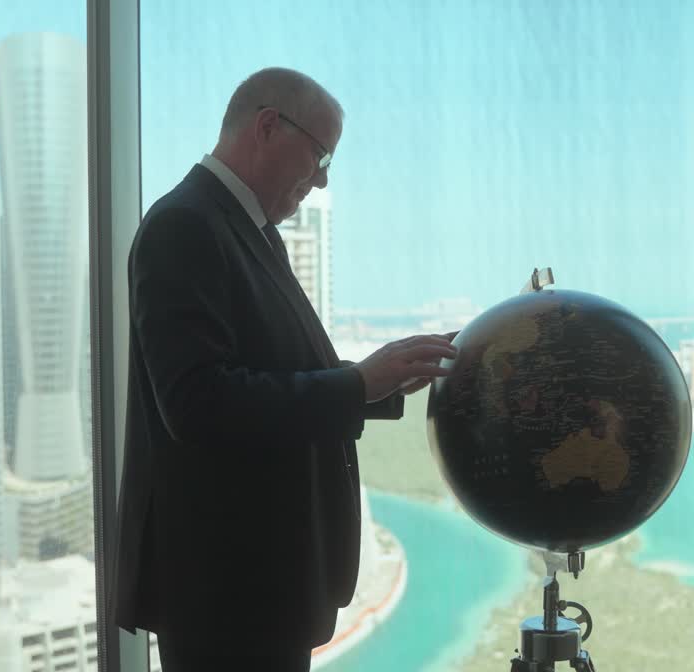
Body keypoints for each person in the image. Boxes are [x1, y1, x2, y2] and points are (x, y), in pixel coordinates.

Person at [113, 67, 458, 671]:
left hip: (253, 589)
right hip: (228, 596)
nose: (322, 180)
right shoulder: (185, 226)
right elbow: (198, 404)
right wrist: (357, 384)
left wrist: (388, 379)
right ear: (269, 126)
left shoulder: (242, 229)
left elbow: (271, 370)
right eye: (321, 156)